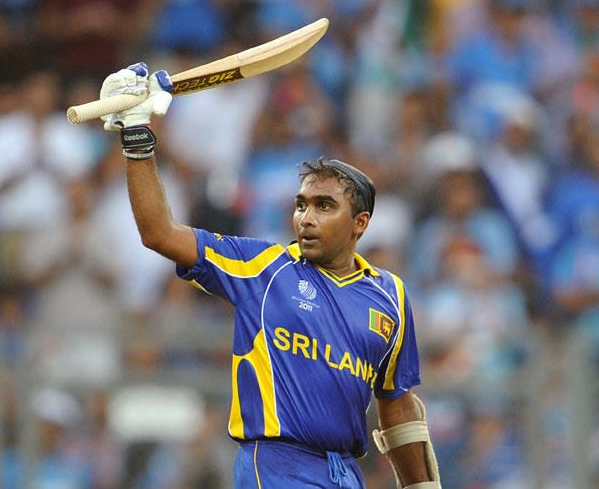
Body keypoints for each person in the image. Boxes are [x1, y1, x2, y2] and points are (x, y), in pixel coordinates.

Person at [93, 62, 441, 488]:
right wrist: (137, 134)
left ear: (360, 223)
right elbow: (159, 232)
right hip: (277, 466)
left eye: (324, 206)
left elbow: (398, 407)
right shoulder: (264, 267)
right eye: (302, 204)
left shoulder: (390, 295)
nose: (306, 217)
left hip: (346, 473)